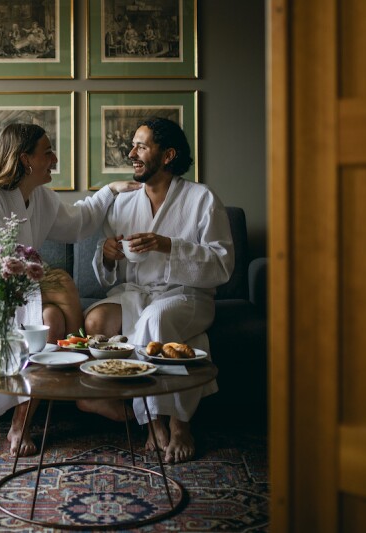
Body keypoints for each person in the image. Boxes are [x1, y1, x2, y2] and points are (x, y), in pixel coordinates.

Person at [0, 123, 141, 458]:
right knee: (61, 282)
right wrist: (39, 279)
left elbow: (76, 223)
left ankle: (22, 425)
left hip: (15, 283)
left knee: (51, 322)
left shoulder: (39, 197)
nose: (54, 158)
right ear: (26, 159)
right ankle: (87, 388)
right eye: (48, 152)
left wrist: (110, 191)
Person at [81, 117, 235, 463]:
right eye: (133, 145)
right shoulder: (124, 202)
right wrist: (107, 256)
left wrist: (169, 246)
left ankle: (173, 423)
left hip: (188, 294)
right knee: (95, 321)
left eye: (141, 146)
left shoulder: (202, 199)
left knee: (156, 318)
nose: (132, 153)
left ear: (167, 155)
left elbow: (222, 264)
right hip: (137, 291)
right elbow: (114, 271)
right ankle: (137, 410)